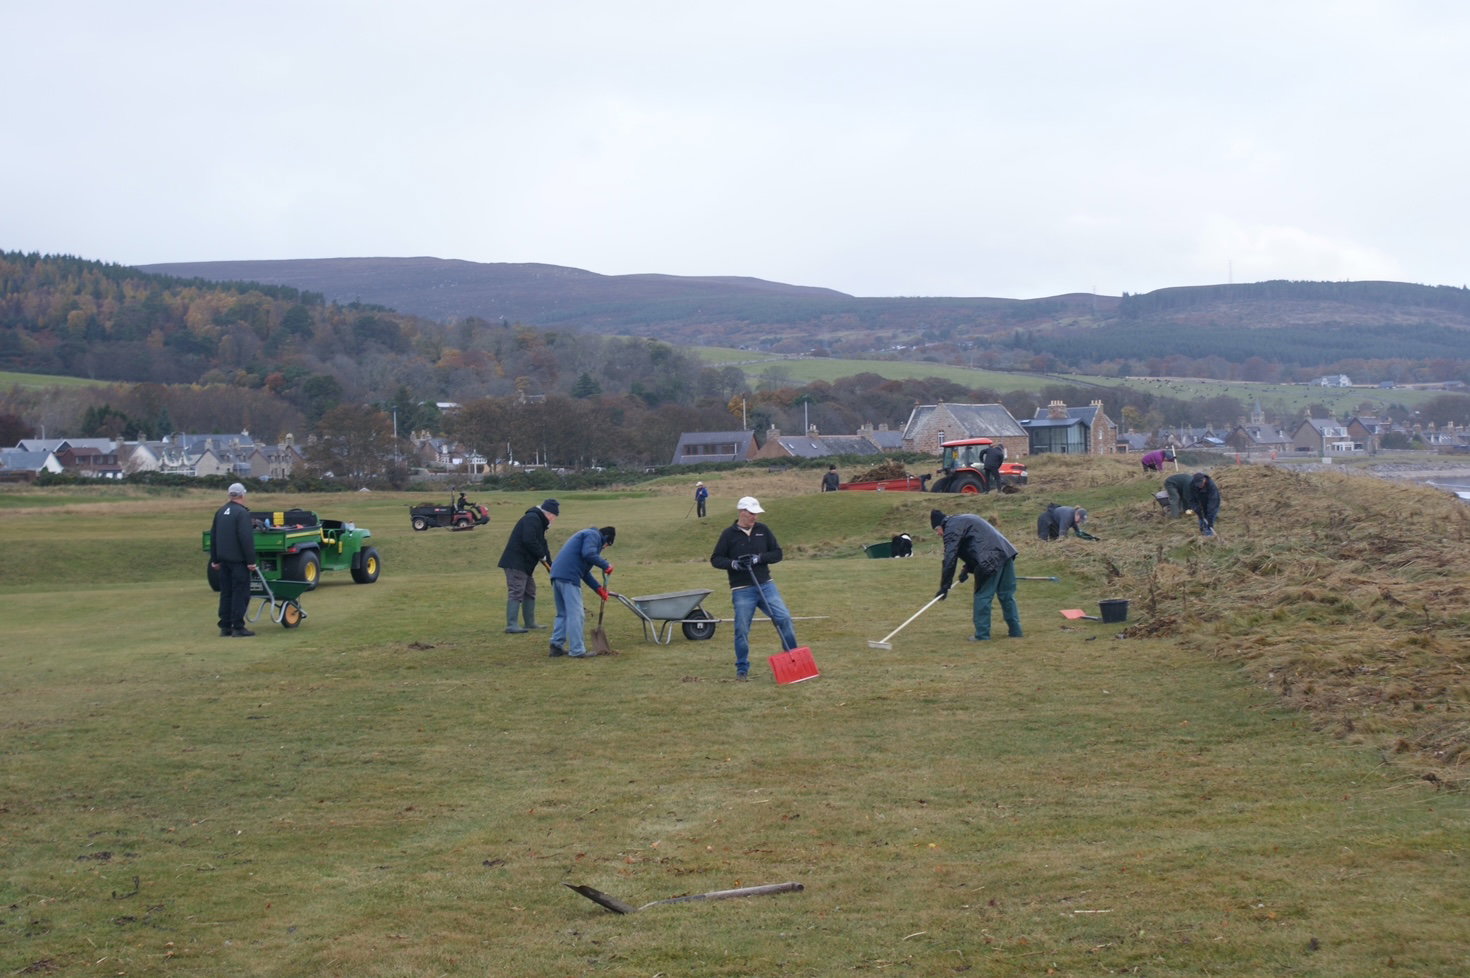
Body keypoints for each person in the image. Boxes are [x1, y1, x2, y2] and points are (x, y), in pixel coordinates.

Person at [710, 496, 799, 680]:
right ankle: (742, 668)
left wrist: (759, 558)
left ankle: (794, 660)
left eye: (756, 513)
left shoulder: (763, 530)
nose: (755, 517)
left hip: (766, 585)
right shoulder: (728, 534)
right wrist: (734, 564)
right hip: (741, 589)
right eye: (751, 513)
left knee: (784, 618)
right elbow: (716, 559)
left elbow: (777, 553)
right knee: (741, 629)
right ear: (742, 512)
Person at [933, 509, 1021, 641]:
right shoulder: (963, 520)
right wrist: (966, 569)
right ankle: (1016, 631)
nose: (938, 534)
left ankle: (982, 635)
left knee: (983, 596)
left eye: (937, 530)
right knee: (1007, 595)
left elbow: (950, 558)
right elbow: (976, 546)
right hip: (1006, 553)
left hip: (990, 560)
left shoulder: (951, 528)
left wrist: (945, 586)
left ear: (941, 525)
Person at [549, 525, 615, 658]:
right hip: (569, 576)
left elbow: (584, 572)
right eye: (607, 545)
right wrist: (605, 565)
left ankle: (556, 646)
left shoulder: (586, 536)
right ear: (606, 538)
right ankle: (577, 650)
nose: (604, 548)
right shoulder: (593, 535)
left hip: (557, 574)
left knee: (563, 613)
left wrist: (599, 589)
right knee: (576, 614)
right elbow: (588, 554)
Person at [497, 498, 558, 634]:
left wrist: (550, 565)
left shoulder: (539, 522)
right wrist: (541, 555)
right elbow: (529, 540)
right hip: (516, 562)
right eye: (554, 517)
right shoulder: (532, 519)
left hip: (525, 564)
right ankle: (511, 625)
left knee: (530, 590)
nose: (553, 520)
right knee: (517, 590)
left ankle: (530, 623)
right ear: (549, 513)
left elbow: (542, 544)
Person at [209, 482, 258, 637]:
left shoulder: (220, 511)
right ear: (242, 495)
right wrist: (251, 561)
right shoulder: (242, 513)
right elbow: (245, 538)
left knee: (226, 593)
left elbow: (214, 536)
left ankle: (225, 626)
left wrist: (215, 559)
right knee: (240, 593)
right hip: (238, 562)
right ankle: (238, 626)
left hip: (223, 561)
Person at [1190, 471, 1221, 537]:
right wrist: (1195, 507)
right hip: (1201, 502)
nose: (1199, 486)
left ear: (1204, 479)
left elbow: (1212, 504)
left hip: (1212, 502)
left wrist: (1210, 521)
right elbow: (1191, 499)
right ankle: (1202, 530)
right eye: (1197, 484)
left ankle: (1209, 535)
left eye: (1201, 483)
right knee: (1201, 516)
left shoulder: (1211, 486)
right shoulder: (1192, 485)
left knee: (1210, 517)